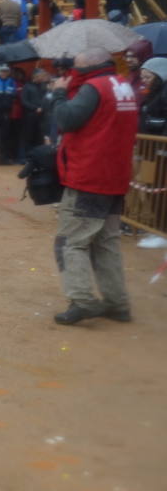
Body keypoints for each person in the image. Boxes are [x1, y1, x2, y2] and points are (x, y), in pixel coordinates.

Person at [48, 48, 138, 325]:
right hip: (115, 176)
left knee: (71, 242)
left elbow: (66, 120)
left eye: (79, 56)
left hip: (90, 175)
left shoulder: (93, 87)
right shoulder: (123, 85)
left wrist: (60, 94)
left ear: (92, 60)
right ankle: (116, 302)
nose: (75, 60)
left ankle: (82, 300)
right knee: (106, 242)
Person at [138, 58, 167, 134]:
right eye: (142, 77)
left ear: (161, 76)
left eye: (147, 77)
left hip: (159, 141)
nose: (143, 81)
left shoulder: (164, 92)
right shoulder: (153, 90)